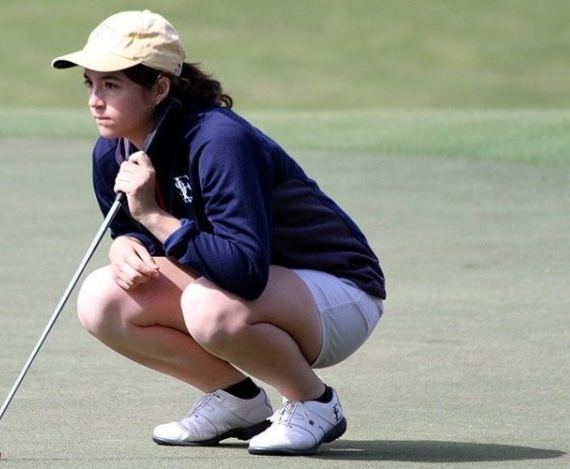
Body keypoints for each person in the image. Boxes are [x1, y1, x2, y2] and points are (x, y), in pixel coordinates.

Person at [51, 10, 385, 456]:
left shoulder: (219, 140)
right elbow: (137, 232)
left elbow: (244, 271)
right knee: (101, 299)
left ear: (160, 88)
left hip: (338, 293)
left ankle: (314, 402)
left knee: (209, 306)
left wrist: (152, 217)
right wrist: (126, 244)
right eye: (90, 83)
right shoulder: (112, 152)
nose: (95, 99)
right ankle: (236, 401)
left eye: (112, 85)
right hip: (264, 292)